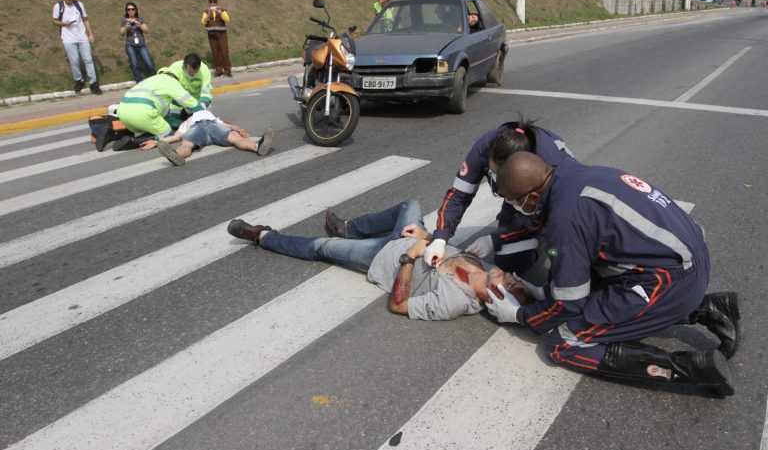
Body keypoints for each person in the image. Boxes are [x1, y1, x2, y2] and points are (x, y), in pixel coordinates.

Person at [487, 152, 740, 396]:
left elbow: (569, 303)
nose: (514, 208)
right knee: (596, 289)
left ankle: (691, 368)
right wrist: (540, 291)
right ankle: (710, 308)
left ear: (531, 198)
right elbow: (581, 260)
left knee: (563, 342)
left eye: (514, 201)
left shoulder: (564, 218)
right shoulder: (574, 174)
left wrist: (520, 315)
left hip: (672, 280)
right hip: (689, 258)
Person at [227, 200, 529, 321]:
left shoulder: (455, 303)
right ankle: (350, 228)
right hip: (410, 238)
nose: (512, 277)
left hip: (383, 256)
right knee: (410, 204)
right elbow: (441, 248)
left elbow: (398, 304)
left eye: (512, 285)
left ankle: (263, 236)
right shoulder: (487, 268)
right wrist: (426, 235)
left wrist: (410, 259)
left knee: (322, 246)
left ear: (496, 297)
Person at [425, 117, 575, 275]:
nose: (499, 184)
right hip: (522, 192)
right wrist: (440, 237)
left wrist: (496, 239)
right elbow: (459, 195)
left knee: (557, 241)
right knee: (506, 261)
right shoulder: (485, 148)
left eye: (502, 178)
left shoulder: (548, 167)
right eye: (494, 173)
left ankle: (544, 239)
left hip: (557, 202)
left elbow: (542, 213)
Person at [111, 68, 204, 149]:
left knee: (144, 128)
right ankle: (133, 141)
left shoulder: (152, 79)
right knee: (166, 132)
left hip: (123, 112)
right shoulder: (171, 82)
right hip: (142, 114)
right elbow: (190, 102)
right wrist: (203, 112)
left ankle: (113, 134)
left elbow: (170, 102)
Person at [152, 109, 275, 166]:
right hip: (213, 124)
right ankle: (257, 146)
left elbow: (176, 137)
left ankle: (177, 156)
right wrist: (240, 130)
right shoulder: (208, 113)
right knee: (235, 138)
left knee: (186, 145)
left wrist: (158, 141)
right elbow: (227, 125)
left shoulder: (185, 123)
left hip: (196, 128)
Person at [52, 0, 101, 95]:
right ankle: (79, 80)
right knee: (74, 61)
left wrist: (90, 34)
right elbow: (54, 21)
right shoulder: (58, 6)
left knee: (88, 60)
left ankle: (94, 84)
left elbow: (85, 19)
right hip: (68, 38)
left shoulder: (79, 5)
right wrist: (64, 23)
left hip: (82, 37)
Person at [165, 53, 213, 128]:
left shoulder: (204, 70)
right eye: (190, 72)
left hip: (197, 102)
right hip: (178, 102)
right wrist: (181, 102)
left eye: (195, 72)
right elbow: (169, 90)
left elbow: (206, 93)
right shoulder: (174, 70)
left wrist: (202, 105)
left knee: (203, 124)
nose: (193, 74)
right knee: (174, 124)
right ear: (184, 67)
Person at [120, 2, 156, 83]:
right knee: (134, 64)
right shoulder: (124, 21)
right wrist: (126, 28)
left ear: (135, 10)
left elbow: (146, 31)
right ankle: (139, 81)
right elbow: (121, 33)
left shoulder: (140, 19)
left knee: (149, 63)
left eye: (132, 9)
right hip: (130, 45)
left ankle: (155, 80)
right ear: (126, 11)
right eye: (128, 9)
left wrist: (139, 25)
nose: (131, 11)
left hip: (141, 44)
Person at [201, 0, 231, 77]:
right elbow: (203, 22)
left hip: (222, 35)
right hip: (211, 35)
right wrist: (209, 14)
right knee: (215, 53)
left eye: (214, 2)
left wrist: (220, 12)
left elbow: (227, 19)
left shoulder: (222, 10)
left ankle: (227, 71)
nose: (212, 3)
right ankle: (218, 71)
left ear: (216, 3)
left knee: (224, 52)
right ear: (209, 3)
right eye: (211, 2)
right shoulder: (206, 12)